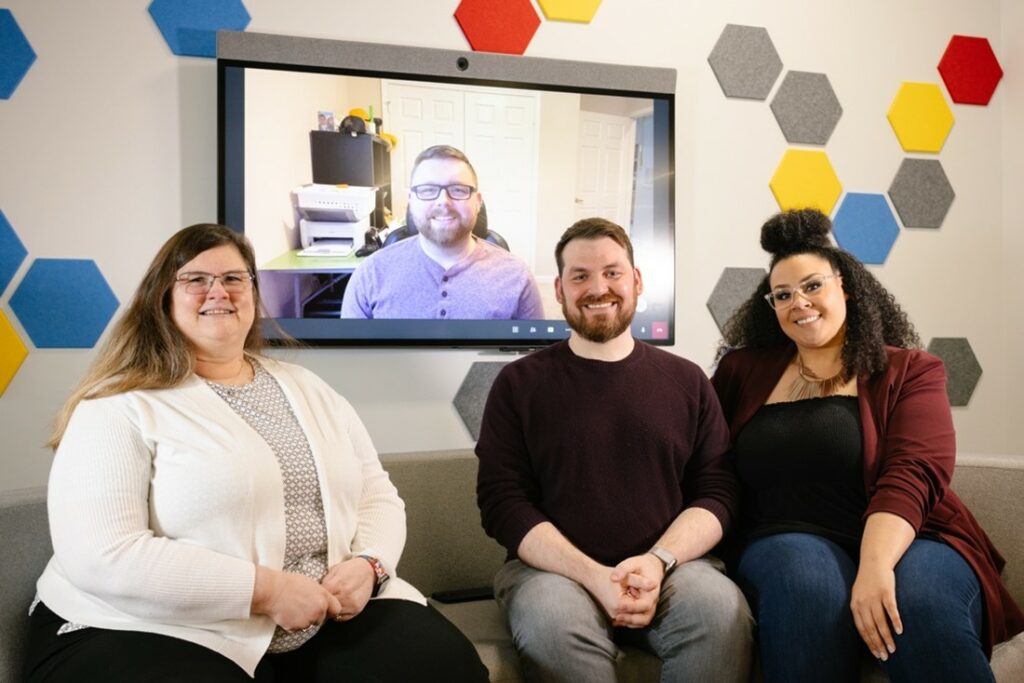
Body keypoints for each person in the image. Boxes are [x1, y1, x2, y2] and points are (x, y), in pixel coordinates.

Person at [24, 224, 488, 682]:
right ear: (162, 298)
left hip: (318, 613)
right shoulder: (116, 404)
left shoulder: (308, 388)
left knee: (444, 664)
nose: (218, 292)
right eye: (196, 280)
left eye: (233, 278)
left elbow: (377, 494)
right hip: (146, 623)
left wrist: (370, 564)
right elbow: (104, 554)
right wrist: (266, 591)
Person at [712, 208, 1024, 683]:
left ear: (846, 287)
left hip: (915, 537)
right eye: (782, 295)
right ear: (770, 307)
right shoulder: (741, 373)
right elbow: (706, 461)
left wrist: (875, 567)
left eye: (813, 285)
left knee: (916, 602)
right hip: (785, 539)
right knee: (805, 584)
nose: (799, 302)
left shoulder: (911, 370)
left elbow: (914, 470)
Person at [475, 217, 754, 683]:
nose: (598, 287)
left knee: (721, 609)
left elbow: (718, 492)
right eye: (579, 276)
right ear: (559, 291)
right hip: (551, 576)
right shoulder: (517, 385)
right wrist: (592, 575)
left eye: (612, 272)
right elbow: (502, 504)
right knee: (551, 623)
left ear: (637, 281)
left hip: (673, 570)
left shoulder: (688, 382)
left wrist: (658, 561)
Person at [340, 144, 544, 320]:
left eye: (458, 189)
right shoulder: (370, 274)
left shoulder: (518, 277)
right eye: (427, 190)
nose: (443, 202)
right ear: (411, 201)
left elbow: (533, 361)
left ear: (478, 201)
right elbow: (349, 360)